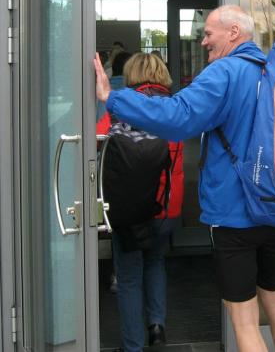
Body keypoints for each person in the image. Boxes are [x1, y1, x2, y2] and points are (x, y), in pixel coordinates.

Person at [94, 5, 275, 352]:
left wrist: (112, 98)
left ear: (233, 32)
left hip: (236, 214)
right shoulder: (272, 72)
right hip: (273, 207)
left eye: (208, 33)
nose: (203, 41)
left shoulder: (225, 72)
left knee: (244, 320)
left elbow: (178, 117)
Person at [99, 53, 184, 352]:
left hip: (130, 207)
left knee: (129, 276)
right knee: (156, 262)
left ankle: (133, 345)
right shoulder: (176, 108)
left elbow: (97, 138)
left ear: (131, 74)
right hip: (166, 205)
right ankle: (157, 328)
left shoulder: (121, 106)